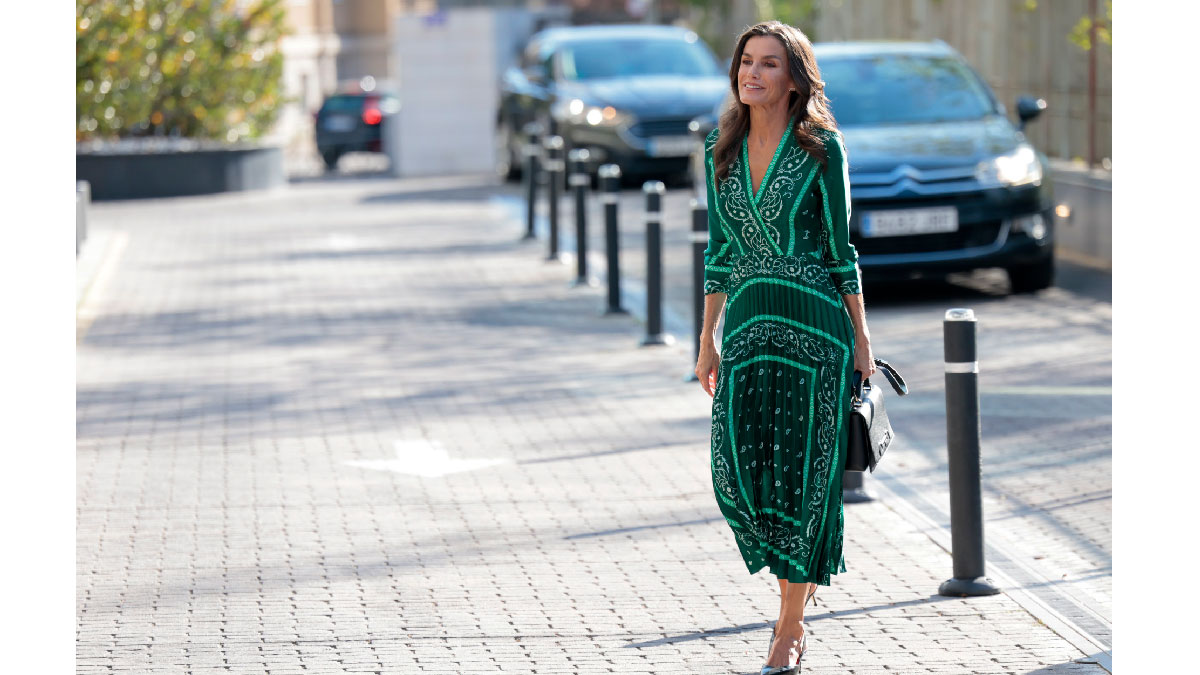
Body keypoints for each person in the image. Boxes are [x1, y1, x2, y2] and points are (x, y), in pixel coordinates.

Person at [693, 20, 875, 675]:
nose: (753, 73)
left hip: (816, 330)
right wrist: (706, 340)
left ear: (794, 78)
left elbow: (841, 249)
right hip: (746, 327)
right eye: (747, 61)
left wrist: (861, 341)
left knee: (805, 481)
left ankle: (790, 625)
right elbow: (719, 251)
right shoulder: (721, 146)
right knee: (738, 475)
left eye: (769, 64)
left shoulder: (822, 148)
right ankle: (793, 596)